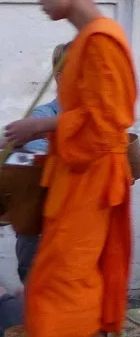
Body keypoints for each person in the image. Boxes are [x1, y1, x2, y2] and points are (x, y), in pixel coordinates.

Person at [4, 0, 137, 337]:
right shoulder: (81, 44)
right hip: (75, 177)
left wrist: (41, 126)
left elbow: (108, 121)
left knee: (66, 283)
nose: (40, 1)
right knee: (60, 279)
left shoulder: (102, 40)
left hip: (93, 180)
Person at [11, 47, 63, 285]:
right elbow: (38, 157)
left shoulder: (95, 115)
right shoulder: (43, 116)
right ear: (61, 76)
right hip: (41, 214)